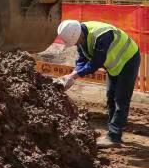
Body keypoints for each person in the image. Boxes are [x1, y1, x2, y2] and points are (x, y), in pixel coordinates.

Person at [58, 18, 140, 148]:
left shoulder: (102, 35)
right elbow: (82, 59)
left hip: (128, 59)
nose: (75, 44)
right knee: (110, 97)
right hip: (114, 65)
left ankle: (114, 137)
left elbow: (96, 62)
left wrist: (74, 75)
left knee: (121, 99)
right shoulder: (81, 36)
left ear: (79, 34)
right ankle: (113, 134)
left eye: (75, 42)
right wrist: (72, 76)